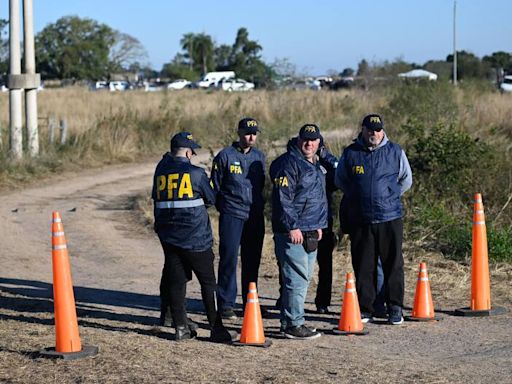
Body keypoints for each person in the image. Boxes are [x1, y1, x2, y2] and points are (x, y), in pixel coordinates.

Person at [152, 132, 235, 342]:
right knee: (208, 283)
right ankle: (217, 329)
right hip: (196, 238)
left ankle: (180, 327)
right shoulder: (196, 173)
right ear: (189, 152)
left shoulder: (160, 173)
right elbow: (211, 198)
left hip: (169, 238)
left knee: (177, 282)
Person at [335, 114, 412, 325]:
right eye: (370, 129)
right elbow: (340, 179)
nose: (374, 134)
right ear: (363, 130)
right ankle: (365, 308)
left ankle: (395, 307)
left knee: (393, 264)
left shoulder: (395, 151)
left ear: (383, 131)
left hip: (390, 217)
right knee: (363, 265)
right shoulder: (351, 153)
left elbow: (406, 179)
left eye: (377, 130)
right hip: (361, 219)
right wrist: (357, 196)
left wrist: (389, 194)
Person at [270, 123, 328, 340]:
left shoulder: (314, 163)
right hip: (293, 231)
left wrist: (318, 226)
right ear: (298, 140)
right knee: (296, 278)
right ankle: (294, 324)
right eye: (305, 138)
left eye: (313, 139)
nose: (309, 143)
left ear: (319, 142)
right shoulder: (289, 164)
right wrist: (292, 226)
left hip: (311, 229)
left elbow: (316, 197)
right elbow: (283, 198)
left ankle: (290, 320)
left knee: (301, 278)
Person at [210, 118, 266, 320]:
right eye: (247, 133)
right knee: (229, 258)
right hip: (232, 214)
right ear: (239, 133)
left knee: (252, 261)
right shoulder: (225, 156)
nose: (251, 137)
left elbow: (262, 186)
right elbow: (214, 187)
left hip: (254, 215)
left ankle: (251, 301)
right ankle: (225, 304)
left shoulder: (260, 157)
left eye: (254, 133)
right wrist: (225, 208)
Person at [314, 136, 338, 314]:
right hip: (303, 222)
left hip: (324, 220)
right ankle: (285, 297)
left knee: (325, 264)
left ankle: (323, 301)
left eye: (316, 144)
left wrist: (326, 157)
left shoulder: (325, 166)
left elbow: (338, 179)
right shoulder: (296, 161)